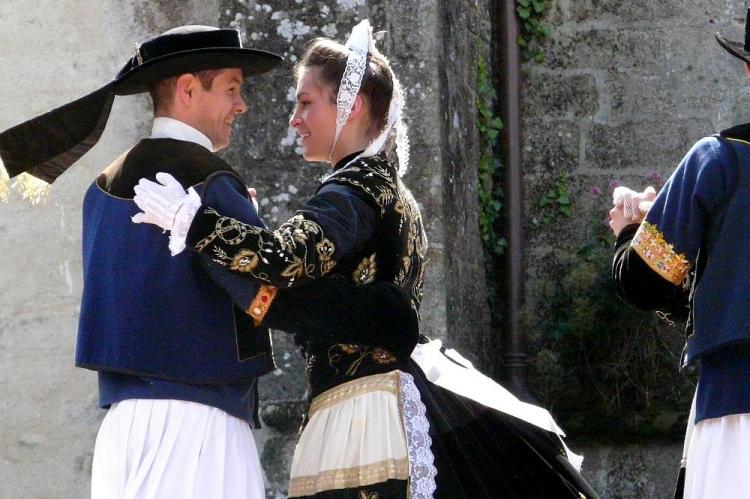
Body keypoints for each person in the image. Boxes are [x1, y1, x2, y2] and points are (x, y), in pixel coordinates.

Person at [133, 20, 598, 499]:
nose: (294, 118)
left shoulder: (354, 189)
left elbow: (285, 258)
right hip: (366, 404)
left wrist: (195, 223)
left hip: (365, 414)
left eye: (306, 102)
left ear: (351, 107)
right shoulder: (381, 186)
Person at [0, 25, 418, 499]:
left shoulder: (99, 188)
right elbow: (268, 292)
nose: (242, 106)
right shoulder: (211, 182)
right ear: (187, 88)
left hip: (120, 430)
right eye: (232, 89)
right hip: (197, 428)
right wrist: (387, 314)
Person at [610, 10, 750, 499]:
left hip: (738, 409)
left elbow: (645, 282)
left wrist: (631, 228)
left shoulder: (717, 161)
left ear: (749, 69)